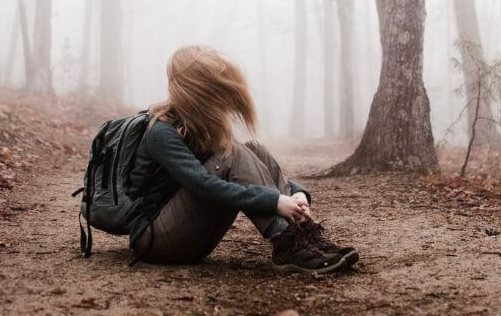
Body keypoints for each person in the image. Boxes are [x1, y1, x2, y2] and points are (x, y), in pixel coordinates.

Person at [125, 45, 358, 275]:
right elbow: (203, 185)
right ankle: (287, 244)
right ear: (194, 88)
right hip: (154, 240)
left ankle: (305, 236)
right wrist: (274, 201)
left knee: (254, 149)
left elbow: (252, 171)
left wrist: (297, 194)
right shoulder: (161, 131)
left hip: (189, 239)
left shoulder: (201, 125)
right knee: (233, 153)